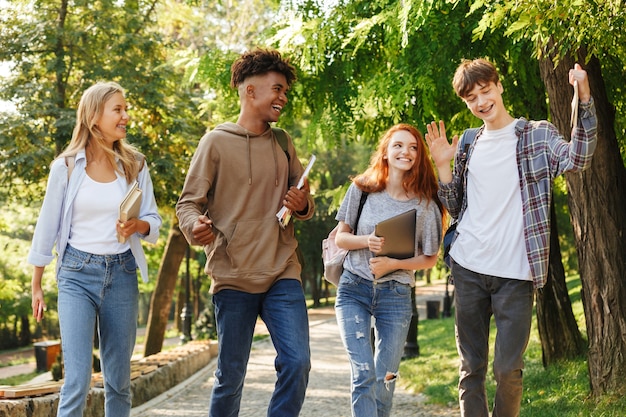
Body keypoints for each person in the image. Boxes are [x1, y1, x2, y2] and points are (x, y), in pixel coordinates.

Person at [425, 58, 597, 417]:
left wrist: (583, 98)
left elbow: (577, 159)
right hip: (469, 267)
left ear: (499, 86)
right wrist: (443, 166)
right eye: (471, 98)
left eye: (485, 91)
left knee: (508, 371)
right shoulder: (470, 142)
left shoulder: (537, 133)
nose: (480, 102)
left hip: (515, 274)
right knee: (471, 370)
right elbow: (456, 206)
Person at [176, 48, 315, 417]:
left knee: (298, 362)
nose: (283, 97)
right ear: (249, 91)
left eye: (285, 91)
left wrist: (301, 202)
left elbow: (303, 203)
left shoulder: (283, 142)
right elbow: (188, 203)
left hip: (281, 269)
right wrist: (195, 226)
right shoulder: (215, 143)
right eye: (277, 89)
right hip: (233, 274)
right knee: (231, 376)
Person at [28, 81, 162, 417]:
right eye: (117, 109)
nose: (126, 116)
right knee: (77, 380)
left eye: (125, 109)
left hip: (122, 273)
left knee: (118, 381)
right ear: (94, 117)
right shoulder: (67, 167)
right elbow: (47, 226)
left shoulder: (135, 165)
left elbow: (153, 221)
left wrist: (137, 226)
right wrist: (36, 283)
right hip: (75, 274)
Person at [334, 123, 444, 417]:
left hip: (395, 296)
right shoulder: (362, 189)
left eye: (412, 147)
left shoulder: (426, 205)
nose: (404, 152)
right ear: (385, 151)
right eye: (398, 145)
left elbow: (430, 258)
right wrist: (366, 241)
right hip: (353, 289)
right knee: (363, 374)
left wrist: (394, 264)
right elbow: (340, 238)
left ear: (419, 156)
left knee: (386, 379)